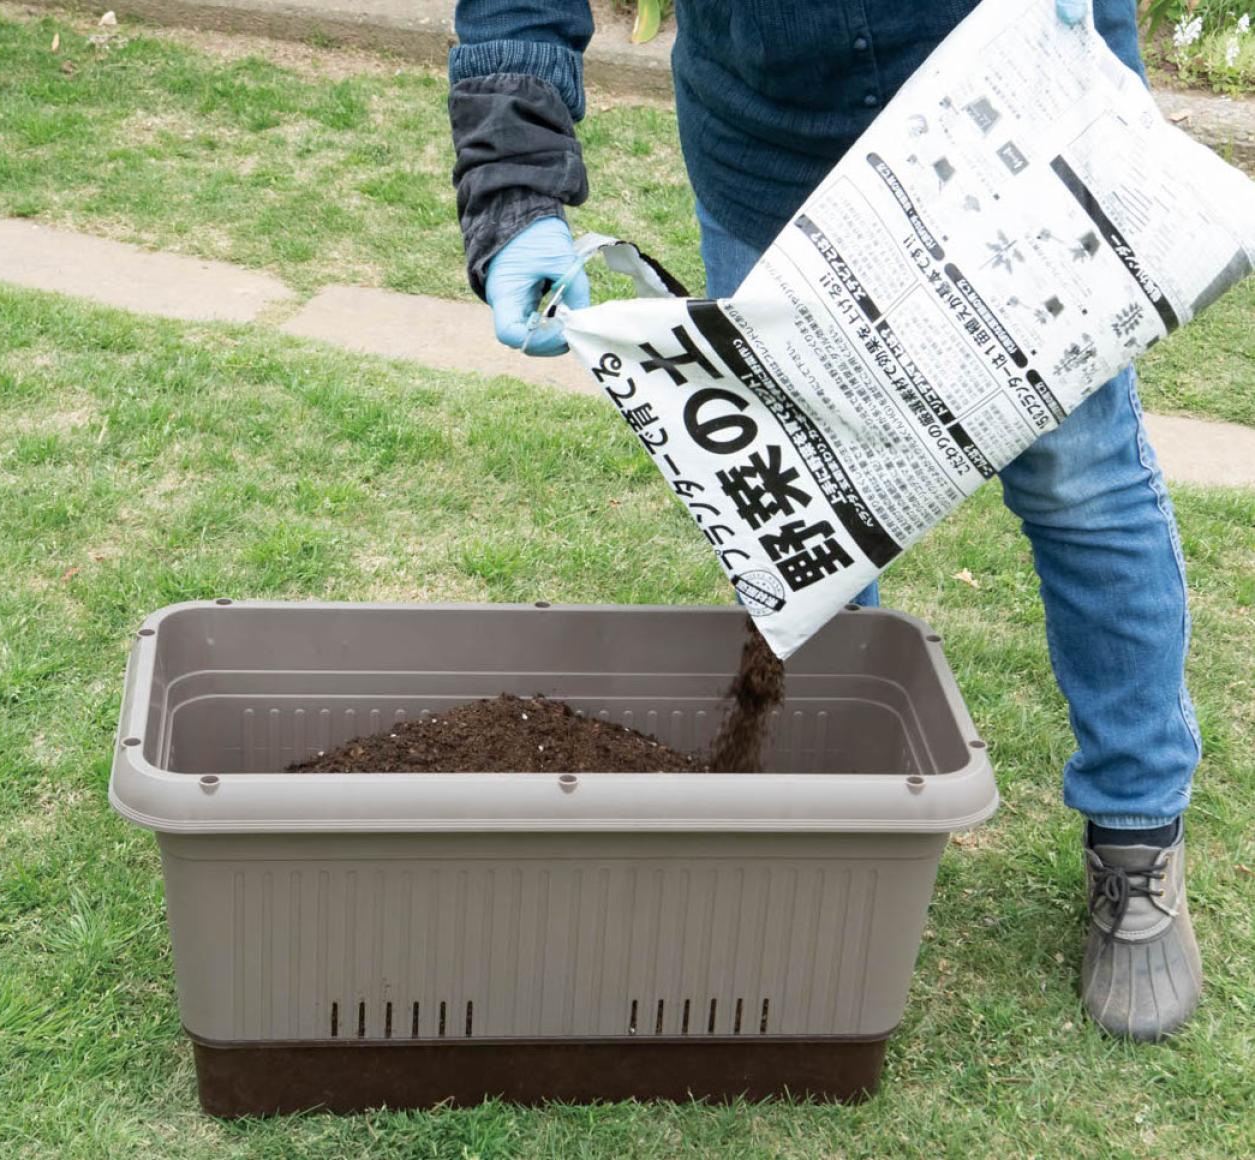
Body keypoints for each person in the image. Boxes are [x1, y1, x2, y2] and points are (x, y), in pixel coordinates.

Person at [446, 0, 1202, 1041]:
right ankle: (838, 830)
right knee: (811, 506)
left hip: (1013, 106)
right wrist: (516, 191)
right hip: (774, 146)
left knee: (1078, 478)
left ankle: (1135, 840)